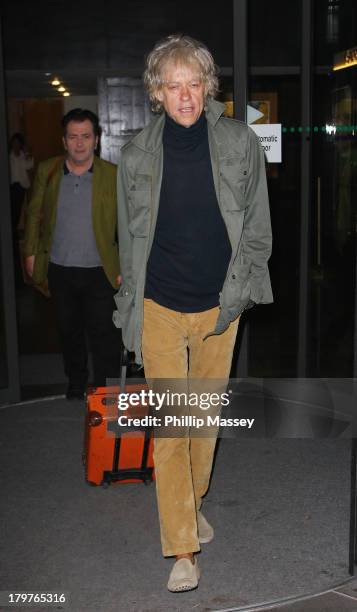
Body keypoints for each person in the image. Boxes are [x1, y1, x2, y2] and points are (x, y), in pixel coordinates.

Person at [114, 35, 273, 591]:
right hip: (159, 304)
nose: (185, 95)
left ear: (208, 86)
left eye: (194, 83)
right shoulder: (135, 156)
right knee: (171, 428)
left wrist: (240, 290)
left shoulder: (238, 143)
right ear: (157, 92)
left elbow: (257, 227)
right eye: (172, 85)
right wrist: (128, 307)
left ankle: (195, 499)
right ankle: (182, 548)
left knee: (201, 422)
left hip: (218, 306)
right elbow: (128, 244)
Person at [23, 108, 121, 399]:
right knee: (69, 332)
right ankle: (76, 382)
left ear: (97, 140)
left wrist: (125, 267)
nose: (80, 143)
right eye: (73, 137)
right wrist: (30, 253)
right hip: (60, 268)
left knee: (104, 334)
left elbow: (128, 226)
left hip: (101, 270)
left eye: (86, 136)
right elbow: (34, 215)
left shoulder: (113, 175)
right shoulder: (48, 170)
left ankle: (105, 387)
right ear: (64, 141)